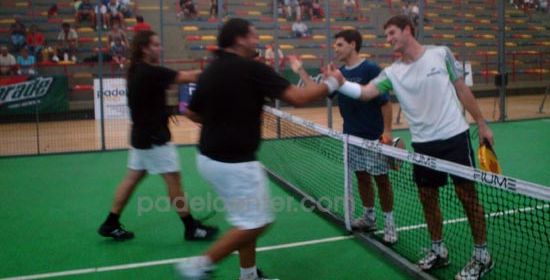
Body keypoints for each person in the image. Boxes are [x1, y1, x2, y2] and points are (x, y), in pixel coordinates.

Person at [330, 15, 495, 280]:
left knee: (468, 197)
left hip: (454, 137)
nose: (388, 39)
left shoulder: (440, 54)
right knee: (427, 198)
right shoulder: (392, 73)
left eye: (392, 33)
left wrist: (482, 123)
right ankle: (438, 250)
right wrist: (341, 83)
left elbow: (462, 89)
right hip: (423, 144)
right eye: (386, 35)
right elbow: (366, 93)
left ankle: (482, 256)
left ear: (408, 30)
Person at [175, 18, 340, 280]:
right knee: (258, 223)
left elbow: (192, 112)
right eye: (253, 35)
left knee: (246, 221)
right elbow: (298, 98)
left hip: (208, 160)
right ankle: (200, 264)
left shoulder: (211, 70)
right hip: (236, 165)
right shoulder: (252, 69)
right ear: (239, 39)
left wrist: (222, 120)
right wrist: (333, 83)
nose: (257, 40)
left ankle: (248, 275)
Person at [98, 30, 219, 242]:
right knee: (173, 181)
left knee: (132, 178)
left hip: (141, 136)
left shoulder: (137, 70)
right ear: (145, 48)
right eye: (155, 45)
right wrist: (220, 68)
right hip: (154, 139)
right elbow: (189, 77)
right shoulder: (149, 72)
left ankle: (110, 223)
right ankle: (191, 228)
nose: (160, 48)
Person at [304, 29, 397, 243]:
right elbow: (327, 95)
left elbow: (385, 102)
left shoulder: (371, 69)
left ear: (353, 45)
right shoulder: (340, 72)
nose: (336, 49)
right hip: (351, 137)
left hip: (373, 137)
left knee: (382, 180)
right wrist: (324, 80)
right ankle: (369, 217)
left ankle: (390, 224)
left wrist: (387, 132)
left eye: (340, 45)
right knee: (362, 177)